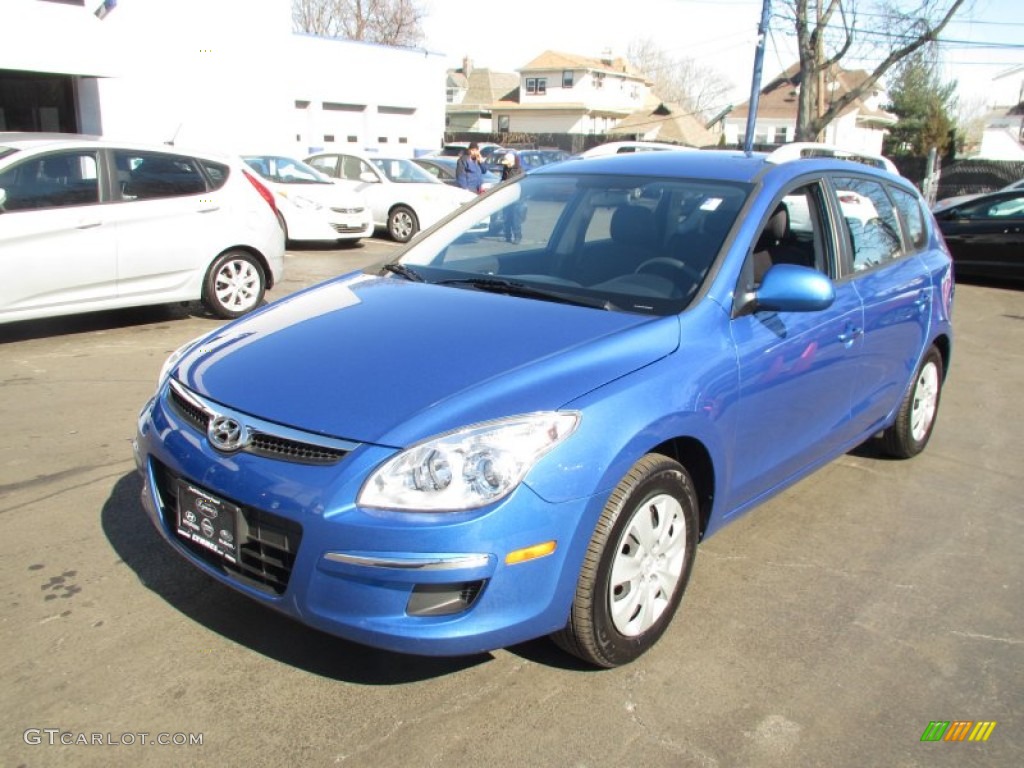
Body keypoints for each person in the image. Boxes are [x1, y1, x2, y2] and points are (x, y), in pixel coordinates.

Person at [499, 152, 525, 243]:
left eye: (508, 162)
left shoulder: (519, 170)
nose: (506, 165)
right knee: (506, 218)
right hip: (507, 198)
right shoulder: (506, 169)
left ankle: (517, 236)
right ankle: (507, 236)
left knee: (515, 219)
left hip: (516, 198)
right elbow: (503, 179)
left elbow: (521, 184)